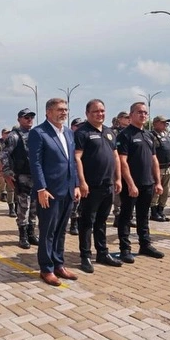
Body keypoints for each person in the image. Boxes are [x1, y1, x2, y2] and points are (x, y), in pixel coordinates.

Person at [28, 98, 80, 286]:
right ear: (48, 112)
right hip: (49, 192)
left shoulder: (68, 133)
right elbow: (35, 163)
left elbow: (71, 161)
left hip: (67, 190)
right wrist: (41, 188)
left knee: (61, 231)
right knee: (48, 231)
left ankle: (59, 264)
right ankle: (46, 268)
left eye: (66, 109)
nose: (64, 113)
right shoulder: (38, 133)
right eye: (59, 109)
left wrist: (76, 184)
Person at [73, 100, 122, 273]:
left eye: (102, 111)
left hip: (108, 185)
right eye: (95, 111)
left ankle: (102, 252)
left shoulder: (109, 132)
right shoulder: (82, 132)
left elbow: (116, 157)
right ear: (87, 113)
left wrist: (118, 179)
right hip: (90, 186)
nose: (99, 114)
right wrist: (82, 182)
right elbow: (77, 158)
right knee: (87, 222)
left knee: (102, 221)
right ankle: (85, 256)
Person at [116, 103, 165, 262]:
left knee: (144, 216)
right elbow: (122, 161)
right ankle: (125, 249)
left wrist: (158, 182)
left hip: (148, 183)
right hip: (132, 185)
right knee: (126, 216)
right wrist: (130, 184)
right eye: (139, 112)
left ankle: (145, 244)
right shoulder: (125, 135)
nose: (143, 115)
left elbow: (154, 160)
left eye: (145, 113)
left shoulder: (149, 135)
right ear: (131, 115)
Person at [1, 109, 39, 249]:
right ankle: (22, 236)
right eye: (26, 117)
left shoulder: (35, 134)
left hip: (35, 175)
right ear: (19, 119)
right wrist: (7, 172)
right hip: (22, 176)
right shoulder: (14, 136)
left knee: (34, 207)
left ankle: (31, 234)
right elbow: (4, 155)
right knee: (24, 207)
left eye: (31, 117)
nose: (29, 120)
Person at [150, 115, 170, 223]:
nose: (165, 125)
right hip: (158, 168)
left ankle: (161, 210)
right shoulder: (152, 136)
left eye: (166, 123)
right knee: (156, 192)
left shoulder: (166, 135)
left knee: (165, 191)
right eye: (162, 122)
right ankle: (154, 212)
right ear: (155, 123)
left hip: (168, 168)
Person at [111, 111, 131, 226]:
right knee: (118, 191)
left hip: (128, 164)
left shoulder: (130, 131)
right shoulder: (114, 132)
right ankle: (117, 215)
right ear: (119, 119)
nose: (128, 119)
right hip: (117, 164)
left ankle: (128, 216)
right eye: (126, 117)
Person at [0, 128, 15, 217]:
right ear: (2, 134)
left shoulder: (13, 141)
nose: (8, 134)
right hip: (2, 167)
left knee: (13, 189)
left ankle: (14, 207)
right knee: (4, 184)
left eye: (9, 133)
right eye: (6, 133)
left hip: (13, 168)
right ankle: (10, 204)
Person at [67, 117, 84, 235]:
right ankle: (72, 224)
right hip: (71, 174)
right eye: (77, 126)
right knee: (74, 201)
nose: (79, 128)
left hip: (82, 173)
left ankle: (76, 223)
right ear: (72, 127)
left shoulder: (83, 138)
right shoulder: (68, 139)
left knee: (80, 202)